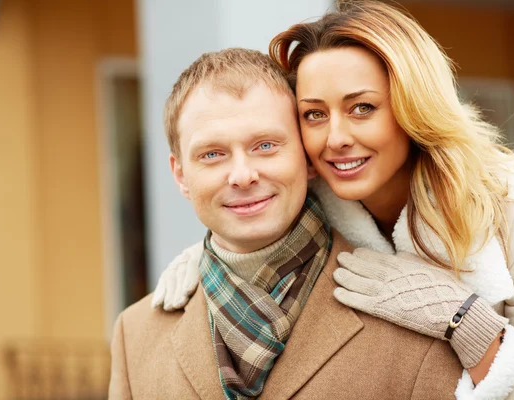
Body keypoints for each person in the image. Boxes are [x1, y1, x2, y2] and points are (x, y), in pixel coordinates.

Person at [151, 1, 514, 398]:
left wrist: (465, 320)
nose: (336, 138)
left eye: (362, 108)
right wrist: (208, 259)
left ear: (413, 107)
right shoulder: (315, 194)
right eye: (314, 114)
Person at [108, 47, 468, 400]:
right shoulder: (135, 334)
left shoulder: (415, 317)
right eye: (213, 154)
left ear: (308, 158)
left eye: (265, 145)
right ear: (181, 175)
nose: (242, 175)